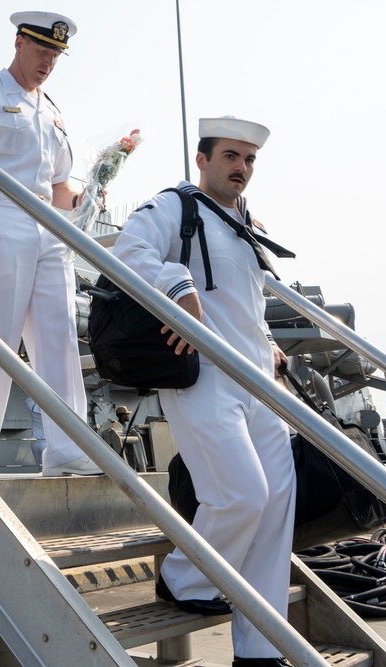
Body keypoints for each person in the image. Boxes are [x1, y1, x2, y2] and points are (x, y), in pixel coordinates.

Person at [111, 116, 296, 667]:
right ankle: (184, 579)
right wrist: (177, 288)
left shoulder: (246, 222)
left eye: (249, 160)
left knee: (275, 512)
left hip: (259, 379)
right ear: (203, 160)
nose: (241, 168)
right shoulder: (177, 206)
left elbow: (244, 302)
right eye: (231, 156)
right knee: (242, 494)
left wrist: (270, 346)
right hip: (203, 375)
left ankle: (261, 651)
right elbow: (128, 250)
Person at [0, 11, 100, 479]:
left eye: (56, 54)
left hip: (47, 230)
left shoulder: (51, 109)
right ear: (18, 43)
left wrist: (90, 190)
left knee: (58, 338)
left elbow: (57, 185)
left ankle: (66, 448)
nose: (48, 61)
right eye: (42, 50)